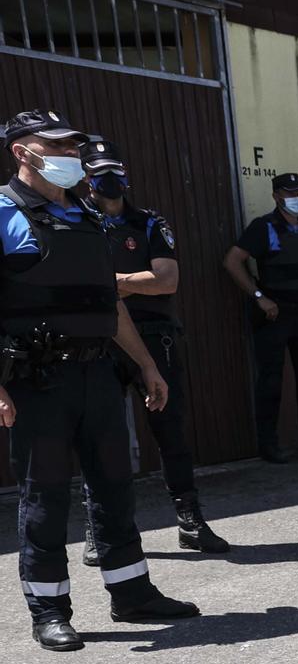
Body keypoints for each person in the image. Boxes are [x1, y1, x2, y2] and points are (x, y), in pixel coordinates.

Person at [1, 110, 198, 650]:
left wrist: (146, 365)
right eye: (57, 146)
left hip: (98, 372)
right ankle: (49, 610)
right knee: (45, 496)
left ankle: (132, 593)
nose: (70, 155)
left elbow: (108, 303)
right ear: (23, 151)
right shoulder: (3, 211)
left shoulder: (88, 216)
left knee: (113, 486)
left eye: (73, 147)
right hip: (37, 379)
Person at [76, 138, 228, 557]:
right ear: (86, 178)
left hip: (155, 335)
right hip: (102, 341)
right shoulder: (77, 222)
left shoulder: (148, 223)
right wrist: (133, 281)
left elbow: (167, 280)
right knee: (99, 437)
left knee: (171, 431)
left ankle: (190, 521)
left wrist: (112, 284)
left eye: (115, 171)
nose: (111, 180)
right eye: (101, 172)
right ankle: (97, 527)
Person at [224, 172, 298, 463]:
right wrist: (259, 298)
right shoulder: (264, 227)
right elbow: (232, 261)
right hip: (275, 314)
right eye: (289, 192)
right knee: (270, 381)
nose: (296, 197)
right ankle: (268, 444)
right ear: (276, 196)